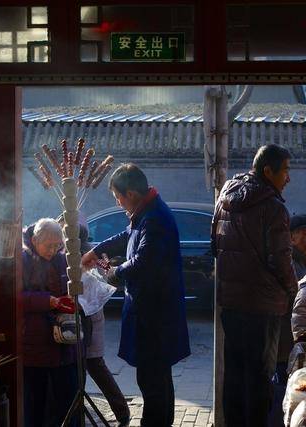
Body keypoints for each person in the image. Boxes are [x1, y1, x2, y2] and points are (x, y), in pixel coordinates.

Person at [81, 164, 190, 427]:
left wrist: (114, 273)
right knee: (159, 377)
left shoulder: (155, 219)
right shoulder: (146, 212)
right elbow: (126, 235)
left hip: (155, 316)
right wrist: (97, 251)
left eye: (118, 198)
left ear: (130, 193)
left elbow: (142, 262)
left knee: (152, 379)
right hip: (154, 313)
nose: (118, 204)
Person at [211, 144, 296, 427]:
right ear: (268, 171)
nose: (288, 179)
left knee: (234, 376)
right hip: (263, 308)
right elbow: (282, 261)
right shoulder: (273, 208)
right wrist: (292, 291)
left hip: (232, 303)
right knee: (260, 381)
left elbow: (215, 245)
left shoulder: (225, 196)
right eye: (285, 171)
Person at [57, 215, 130, 426]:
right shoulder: (70, 254)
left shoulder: (92, 253)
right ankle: (82, 411)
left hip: (90, 316)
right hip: (79, 314)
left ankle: (121, 412)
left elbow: (110, 274)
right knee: (86, 364)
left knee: (93, 364)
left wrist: (104, 269)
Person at [22, 218, 78, 427]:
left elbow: (69, 285)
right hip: (35, 344)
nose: (53, 250)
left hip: (63, 342)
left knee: (68, 396)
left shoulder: (62, 259)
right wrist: (47, 301)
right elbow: (16, 297)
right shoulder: (23, 260)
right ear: (35, 240)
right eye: (49, 246)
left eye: (57, 246)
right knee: (35, 402)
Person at [269, 214, 306, 426]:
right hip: (283, 335)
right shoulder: (289, 262)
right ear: (291, 237)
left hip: (293, 336)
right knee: (282, 385)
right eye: (304, 235)